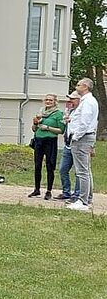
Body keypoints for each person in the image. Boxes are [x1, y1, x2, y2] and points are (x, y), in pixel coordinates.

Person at [65, 77, 100, 212]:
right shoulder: (87, 101)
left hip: (82, 138)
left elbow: (84, 122)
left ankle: (83, 201)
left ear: (85, 86)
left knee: (82, 171)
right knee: (86, 169)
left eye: (78, 84)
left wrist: (75, 136)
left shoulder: (88, 102)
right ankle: (87, 198)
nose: (76, 86)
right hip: (84, 137)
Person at [28, 93, 65, 200]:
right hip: (39, 140)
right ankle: (37, 189)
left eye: (51, 100)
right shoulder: (40, 112)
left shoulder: (58, 114)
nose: (48, 102)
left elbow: (61, 130)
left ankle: (48, 191)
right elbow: (34, 129)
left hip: (50, 141)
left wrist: (48, 127)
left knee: (50, 166)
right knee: (37, 165)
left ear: (55, 102)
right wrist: (35, 123)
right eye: (47, 100)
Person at [56, 91, 81, 202]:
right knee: (63, 169)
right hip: (68, 144)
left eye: (73, 99)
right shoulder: (69, 111)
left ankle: (77, 194)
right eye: (69, 98)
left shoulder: (82, 111)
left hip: (78, 144)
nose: (70, 101)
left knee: (79, 171)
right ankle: (66, 192)